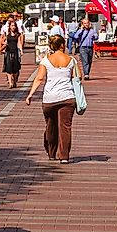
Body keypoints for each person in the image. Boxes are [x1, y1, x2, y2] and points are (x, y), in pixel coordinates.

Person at [24, 34, 80, 163]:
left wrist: (30, 94)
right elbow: (78, 77)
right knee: (65, 127)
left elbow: (39, 78)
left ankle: (51, 152)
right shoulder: (71, 60)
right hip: (67, 97)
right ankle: (64, 156)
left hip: (50, 98)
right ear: (62, 45)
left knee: (51, 125)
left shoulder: (46, 60)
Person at [1, 18, 24, 88]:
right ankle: (10, 83)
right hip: (8, 51)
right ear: (9, 27)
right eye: (12, 26)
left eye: (14, 26)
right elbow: (2, 41)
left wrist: (21, 50)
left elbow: (19, 43)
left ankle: (14, 81)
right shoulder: (7, 34)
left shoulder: (18, 35)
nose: (13, 27)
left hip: (15, 52)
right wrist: (4, 44)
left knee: (15, 68)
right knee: (8, 67)